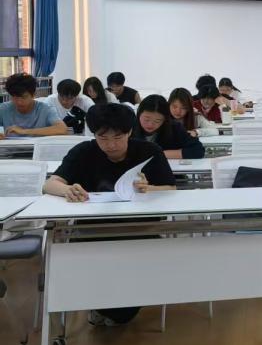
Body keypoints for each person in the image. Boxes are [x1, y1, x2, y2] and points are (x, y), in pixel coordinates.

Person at [43, 103, 177, 325]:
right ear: (94, 134)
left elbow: (170, 188)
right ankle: (102, 305)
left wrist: (149, 189)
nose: (111, 145)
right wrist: (67, 190)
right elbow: (50, 183)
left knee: (132, 283)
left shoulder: (149, 151)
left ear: (129, 132)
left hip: (140, 230)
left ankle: (115, 308)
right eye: (102, 138)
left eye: (118, 137)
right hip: (92, 231)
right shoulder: (83, 151)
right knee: (89, 271)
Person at [133, 95, 205, 159]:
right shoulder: (130, 127)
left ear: (165, 119)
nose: (150, 124)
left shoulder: (175, 128)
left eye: (157, 121)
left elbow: (198, 150)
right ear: (139, 114)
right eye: (146, 119)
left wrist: (158, 153)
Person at [0, 73, 68, 138]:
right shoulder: (3, 109)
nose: (19, 102)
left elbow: (62, 129)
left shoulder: (45, 110)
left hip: (38, 146)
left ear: (33, 94)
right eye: (14, 98)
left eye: (23, 97)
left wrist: (24, 131)